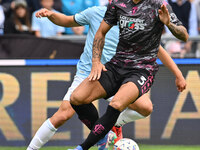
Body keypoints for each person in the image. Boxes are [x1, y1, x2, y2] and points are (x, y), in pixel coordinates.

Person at [27, 2, 187, 149]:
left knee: (145, 107)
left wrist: (178, 74)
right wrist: (51, 14)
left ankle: (112, 124)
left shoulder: (139, 18)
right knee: (63, 113)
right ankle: (31, 149)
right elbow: (67, 21)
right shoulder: (96, 13)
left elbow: (158, 49)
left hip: (119, 74)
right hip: (89, 73)